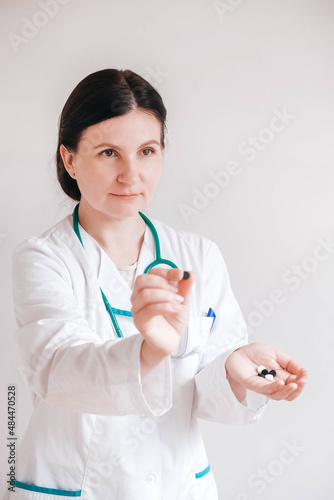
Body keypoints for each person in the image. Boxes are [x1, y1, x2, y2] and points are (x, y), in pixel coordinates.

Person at [7, 68, 308, 500]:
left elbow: (205, 390)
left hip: (177, 485)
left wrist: (236, 368)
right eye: (109, 153)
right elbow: (57, 372)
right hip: (74, 486)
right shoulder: (43, 259)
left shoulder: (197, 255)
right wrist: (149, 351)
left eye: (147, 151)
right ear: (70, 159)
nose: (131, 175)